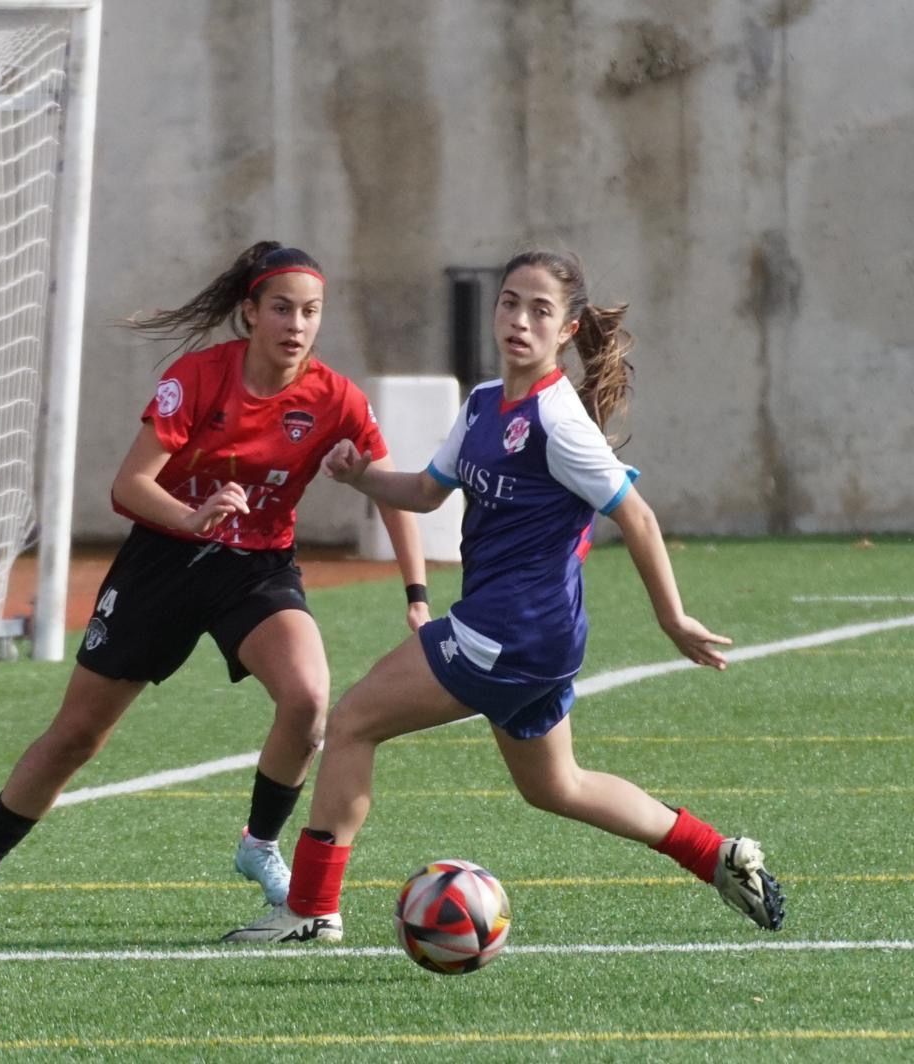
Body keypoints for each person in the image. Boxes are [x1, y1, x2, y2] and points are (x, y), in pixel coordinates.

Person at [224, 249, 785, 944]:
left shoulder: (558, 420)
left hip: (508, 632)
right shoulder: (486, 403)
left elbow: (635, 514)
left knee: (353, 721)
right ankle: (716, 853)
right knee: (555, 786)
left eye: (540, 310)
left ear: (568, 330)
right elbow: (428, 491)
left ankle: (310, 910)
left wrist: (671, 616)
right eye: (510, 302)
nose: (520, 319)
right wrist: (362, 478)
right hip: (534, 640)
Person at [0, 241, 431, 927]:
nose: (296, 325)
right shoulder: (200, 378)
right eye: (281, 309)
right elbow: (128, 485)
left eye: (310, 311)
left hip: (256, 569)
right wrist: (192, 515)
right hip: (163, 563)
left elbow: (389, 489)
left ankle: (259, 845)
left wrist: (417, 597)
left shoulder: (335, 400)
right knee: (77, 736)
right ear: (250, 313)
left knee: (308, 700)